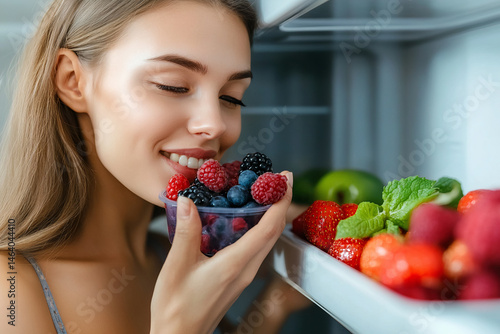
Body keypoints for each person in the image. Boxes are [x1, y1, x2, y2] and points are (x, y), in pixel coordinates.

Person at [0, 0, 311, 333]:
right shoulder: (10, 290)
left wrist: (275, 302)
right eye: (172, 85)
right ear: (73, 81)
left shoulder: (165, 253)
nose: (215, 125)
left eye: (231, 97)